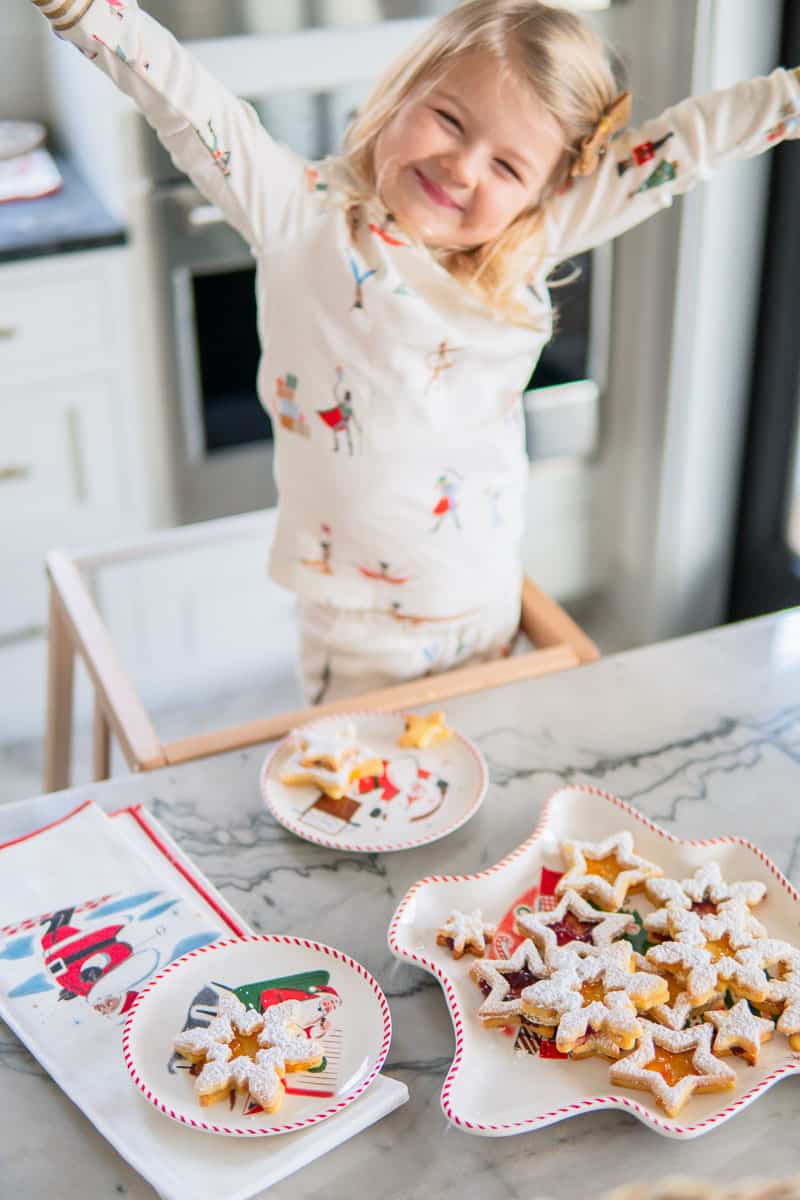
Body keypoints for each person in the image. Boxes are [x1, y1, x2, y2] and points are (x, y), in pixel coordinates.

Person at [30, 0, 800, 702]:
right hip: (359, 626)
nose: (464, 168)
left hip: (487, 595)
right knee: (366, 813)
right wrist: (84, 11)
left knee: (478, 788)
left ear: (542, 193)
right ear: (401, 93)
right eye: (449, 120)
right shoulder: (302, 217)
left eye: (507, 167)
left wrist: (789, 99)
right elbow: (190, 103)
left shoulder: (529, 239)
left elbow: (690, 143)